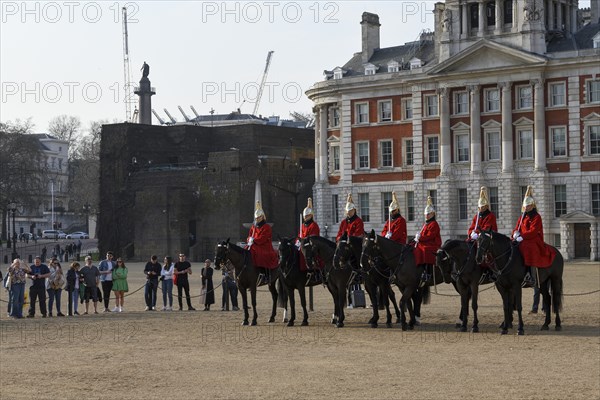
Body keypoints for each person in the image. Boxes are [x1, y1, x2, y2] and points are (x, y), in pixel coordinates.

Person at [512, 185, 556, 288]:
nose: (526, 208)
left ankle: (531, 275)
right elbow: (517, 227)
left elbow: (533, 231)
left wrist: (522, 236)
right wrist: (515, 233)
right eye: (525, 206)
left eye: (528, 206)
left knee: (527, 247)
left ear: (532, 206)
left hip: (533, 239)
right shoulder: (522, 217)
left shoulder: (537, 217)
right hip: (522, 238)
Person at [467, 187, 498, 281]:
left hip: (487, 237)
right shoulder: (477, 216)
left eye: (483, 207)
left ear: (486, 207)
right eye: (480, 207)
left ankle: (489, 271)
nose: (481, 209)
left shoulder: (490, 216)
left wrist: (477, 233)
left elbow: (487, 228)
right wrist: (471, 233)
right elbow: (472, 227)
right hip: (477, 237)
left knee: (484, 250)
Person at [246, 201, 278, 286]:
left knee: (261, 255)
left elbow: (263, 238)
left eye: (258, 218)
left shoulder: (267, 227)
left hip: (264, 246)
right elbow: (249, 235)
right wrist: (249, 239)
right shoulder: (253, 226)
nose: (257, 219)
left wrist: (254, 240)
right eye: (256, 218)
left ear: (262, 217)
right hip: (254, 245)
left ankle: (265, 275)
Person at [413, 196, 442, 285]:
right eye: (425, 214)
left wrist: (420, 238)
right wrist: (417, 238)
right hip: (425, 242)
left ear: (433, 214)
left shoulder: (434, 224)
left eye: (428, 214)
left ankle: (428, 273)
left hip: (433, 243)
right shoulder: (426, 224)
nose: (426, 216)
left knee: (425, 250)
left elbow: (430, 236)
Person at [297, 197, 324, 281]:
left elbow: (313, 237)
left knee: (309, 254)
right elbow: (300, 235)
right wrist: (298, 242)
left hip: (311, 245)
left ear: (311, 215)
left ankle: (314, 271)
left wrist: (304, 241)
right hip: (303, 244)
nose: (306, 217)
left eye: (307, 216)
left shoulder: (314, 225)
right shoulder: (303, 226)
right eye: (305, 216)